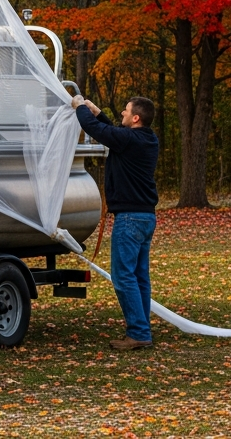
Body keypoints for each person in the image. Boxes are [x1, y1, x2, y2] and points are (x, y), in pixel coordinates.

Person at [70, 94, 160, 350]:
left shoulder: (130, 139)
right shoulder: (146, 139)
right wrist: (97, 112)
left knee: (123, 277)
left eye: (125, 111)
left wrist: (80, 108)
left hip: (129, 219)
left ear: (136, 118)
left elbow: (97, 131)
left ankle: (139, 332)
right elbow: (112, 132)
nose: (121, 113)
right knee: (139, 276)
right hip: (145, 217)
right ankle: (142, 329)